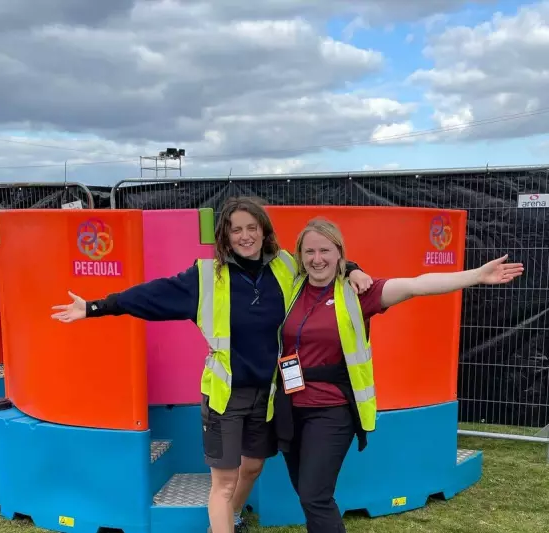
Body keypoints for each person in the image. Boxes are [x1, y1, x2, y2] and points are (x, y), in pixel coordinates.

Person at [49, 197, 374, 533]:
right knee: (224, 483)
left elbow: (323, 264)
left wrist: (354, 270)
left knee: (253, 468)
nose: (245, 236)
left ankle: (224, 523)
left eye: (251, 227)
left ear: (264, 231)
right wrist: (96, 307)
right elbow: (152, 295)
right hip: (225, 395)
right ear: (225, 236)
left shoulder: (285, 266)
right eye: (236, 230)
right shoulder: (205, 276)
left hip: (270, 395)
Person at [272, 217, 524, 532]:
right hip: (290, 408)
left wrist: (476, 275)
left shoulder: (359, 291)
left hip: (332, 410)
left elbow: (416, 285)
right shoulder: (291, 285)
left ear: (339, 253)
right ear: (299, 254)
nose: (317, 258)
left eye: (325, 250)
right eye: (309, 251)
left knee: (314, 495)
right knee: (307, 495)